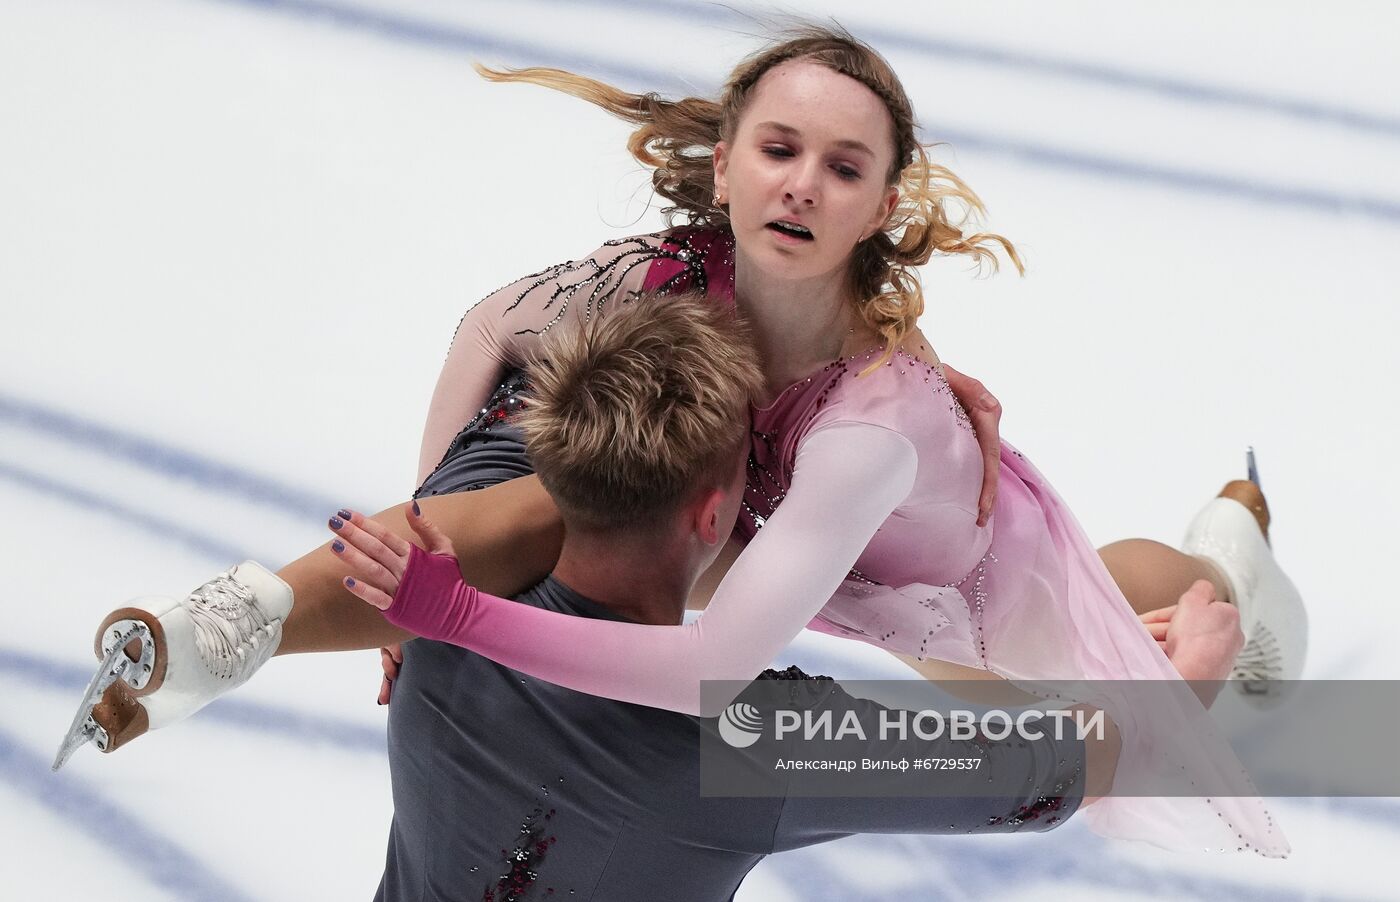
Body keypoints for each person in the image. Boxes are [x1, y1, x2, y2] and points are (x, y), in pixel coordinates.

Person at [61, 25, 1299, 858]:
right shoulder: (662, 277)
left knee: (1128, 642)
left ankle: (1231, 559)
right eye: (778, 150)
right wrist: (403, 598)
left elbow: (715, 665)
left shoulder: (869, 427)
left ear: (880, 205)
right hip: (771, 543)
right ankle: (239, 618)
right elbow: (487, 331)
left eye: (841, 167)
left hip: (949, 594)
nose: (800, 184)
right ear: (723, 169)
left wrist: (454, 613)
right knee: (547, 492)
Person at [344, 292, 1116, 901]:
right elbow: (1063, 771)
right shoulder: (757, 743)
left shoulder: (433, 616)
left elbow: (496, 329)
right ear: (713, 516)